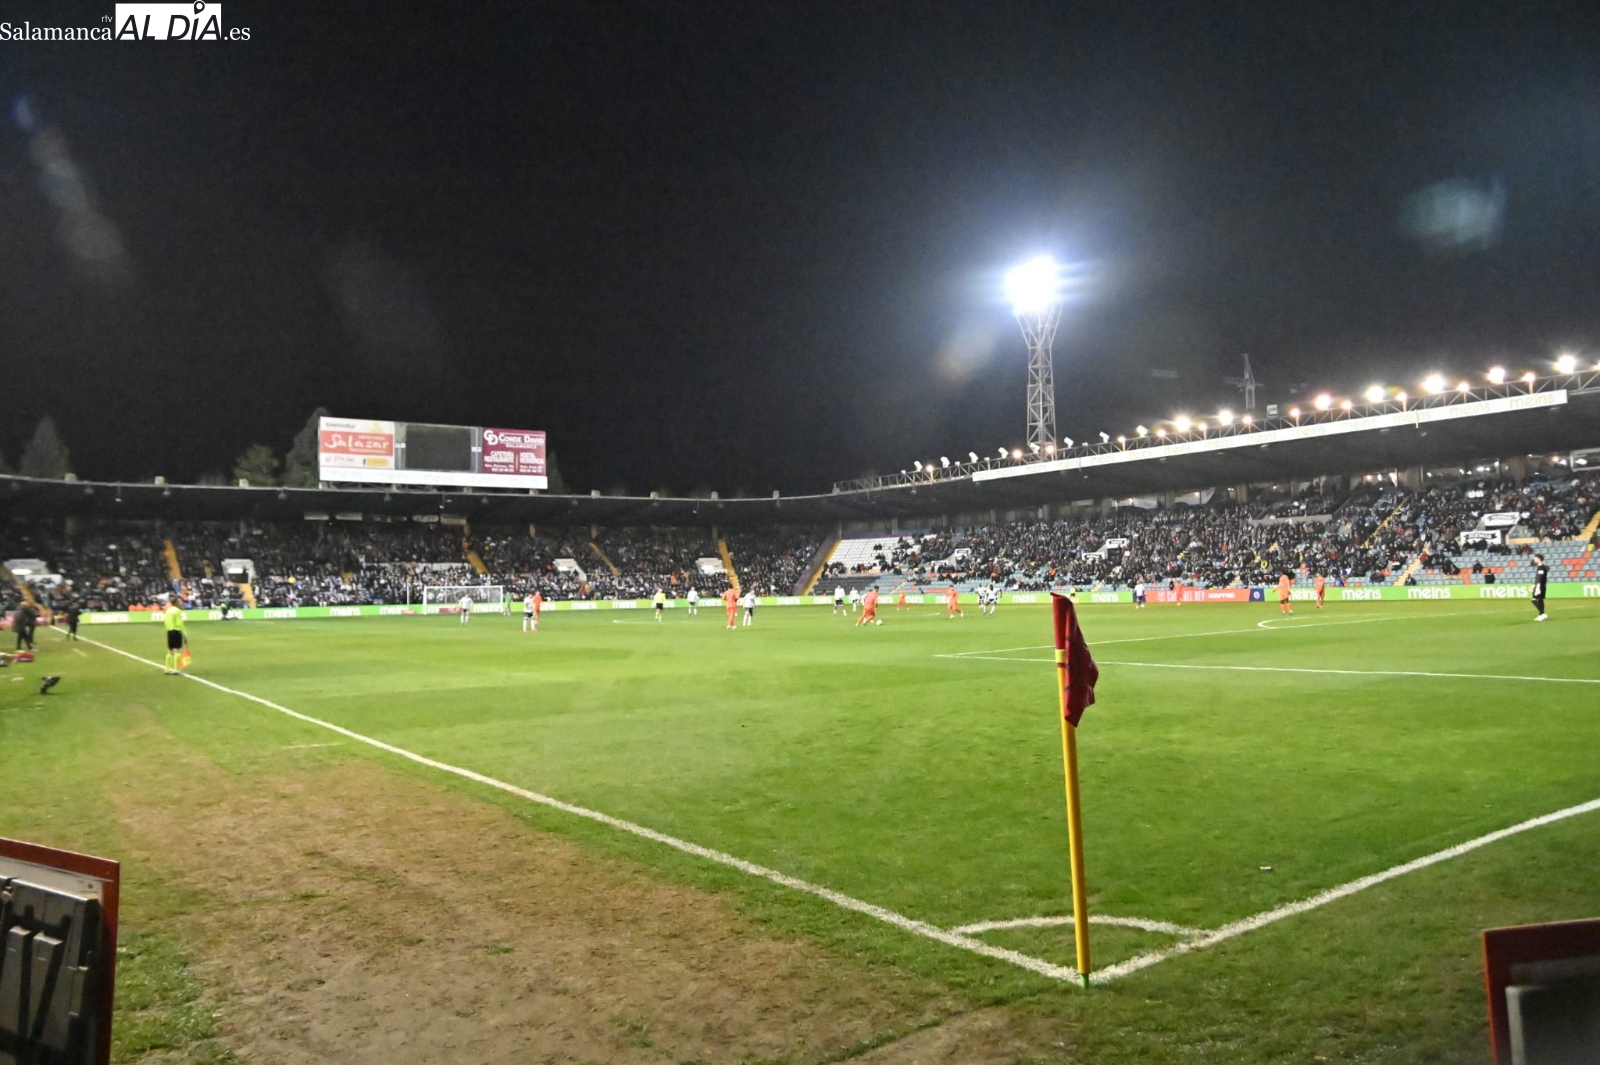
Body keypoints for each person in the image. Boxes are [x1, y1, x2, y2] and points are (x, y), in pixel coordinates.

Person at [162, 596, 187, 675]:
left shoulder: (168, 610)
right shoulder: (177, 611)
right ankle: (176, 669)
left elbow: (165, 621)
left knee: (170, 650)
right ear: (176, 603)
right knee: (177, 650)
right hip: (176, 631)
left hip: (169, 631)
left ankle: (167, 669)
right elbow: (179, 623)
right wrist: (184, 633)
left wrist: (168, 629)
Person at [1531, 553, 1548, 620]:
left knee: (1534, 599)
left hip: (1539, 586)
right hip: (1541, 585)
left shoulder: (1540, 567)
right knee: (1540, 599)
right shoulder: (1542, 566)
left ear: (1538, 559)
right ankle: (1541, 615)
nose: (1534, 559)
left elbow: (1540, 577)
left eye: (1535, 558)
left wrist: (1536, 585)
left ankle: (1542, 613)